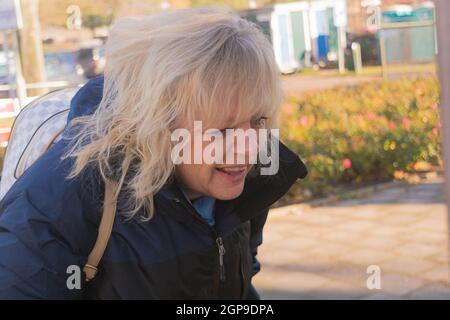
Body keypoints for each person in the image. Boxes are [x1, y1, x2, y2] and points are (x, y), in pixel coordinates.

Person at [0, 6, 307, 299]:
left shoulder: (246, 178)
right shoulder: (59, 200)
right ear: (160, 122)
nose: (249, 148)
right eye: (221, 131)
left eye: (257, 120)